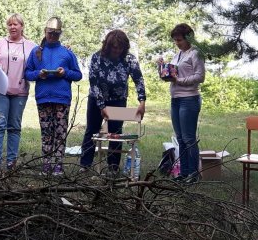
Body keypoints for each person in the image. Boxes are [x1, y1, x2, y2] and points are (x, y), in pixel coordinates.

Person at [79, 29, 146, 173]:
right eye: (114, 47)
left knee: (116, 133)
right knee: (92, 130)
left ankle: (113, 168)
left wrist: (142, 101)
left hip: (118, 100)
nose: (116, 50)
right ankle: (85, 165)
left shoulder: (130, 59)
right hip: (97, 99)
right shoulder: (97, 57)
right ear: (108, 46)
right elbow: (93, 82)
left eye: (120, 47)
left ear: (124, 47)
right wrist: (101, 105)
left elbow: (138, 79)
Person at [25, 17, 82, 175]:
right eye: (50, 33)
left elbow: (78, 75)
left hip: (62, 99)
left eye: (56, 34)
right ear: (45, 32)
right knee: (46, 133)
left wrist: (65, 73)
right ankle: (47, 163)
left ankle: (58, 165)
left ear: (60, 34)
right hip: (43, 98)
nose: (52, 37)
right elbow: (27, 73)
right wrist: (38, 74)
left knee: (60, 132)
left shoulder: (67, 53)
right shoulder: (36, 52)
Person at [0, 13, 37, 174]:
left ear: (22, 26)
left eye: (16, 24)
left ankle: (11, 162)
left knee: (14, 127)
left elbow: (40, 61)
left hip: (20, 91)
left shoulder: (31, 46)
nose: (12, 27)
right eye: (10, 24)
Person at [157, 23, 205, 183]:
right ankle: (183, 173)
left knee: (189, 138)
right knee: (180, 138)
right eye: (175, 40)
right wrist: (162, 68)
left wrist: (180, 80)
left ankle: (193, 174)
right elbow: (171, 75)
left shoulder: (196, 53)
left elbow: (200, 76)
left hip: (189, 99)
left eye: (179, 40)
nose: (177, 43)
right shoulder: (178, 55)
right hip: (175, 99)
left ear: (188, 37)